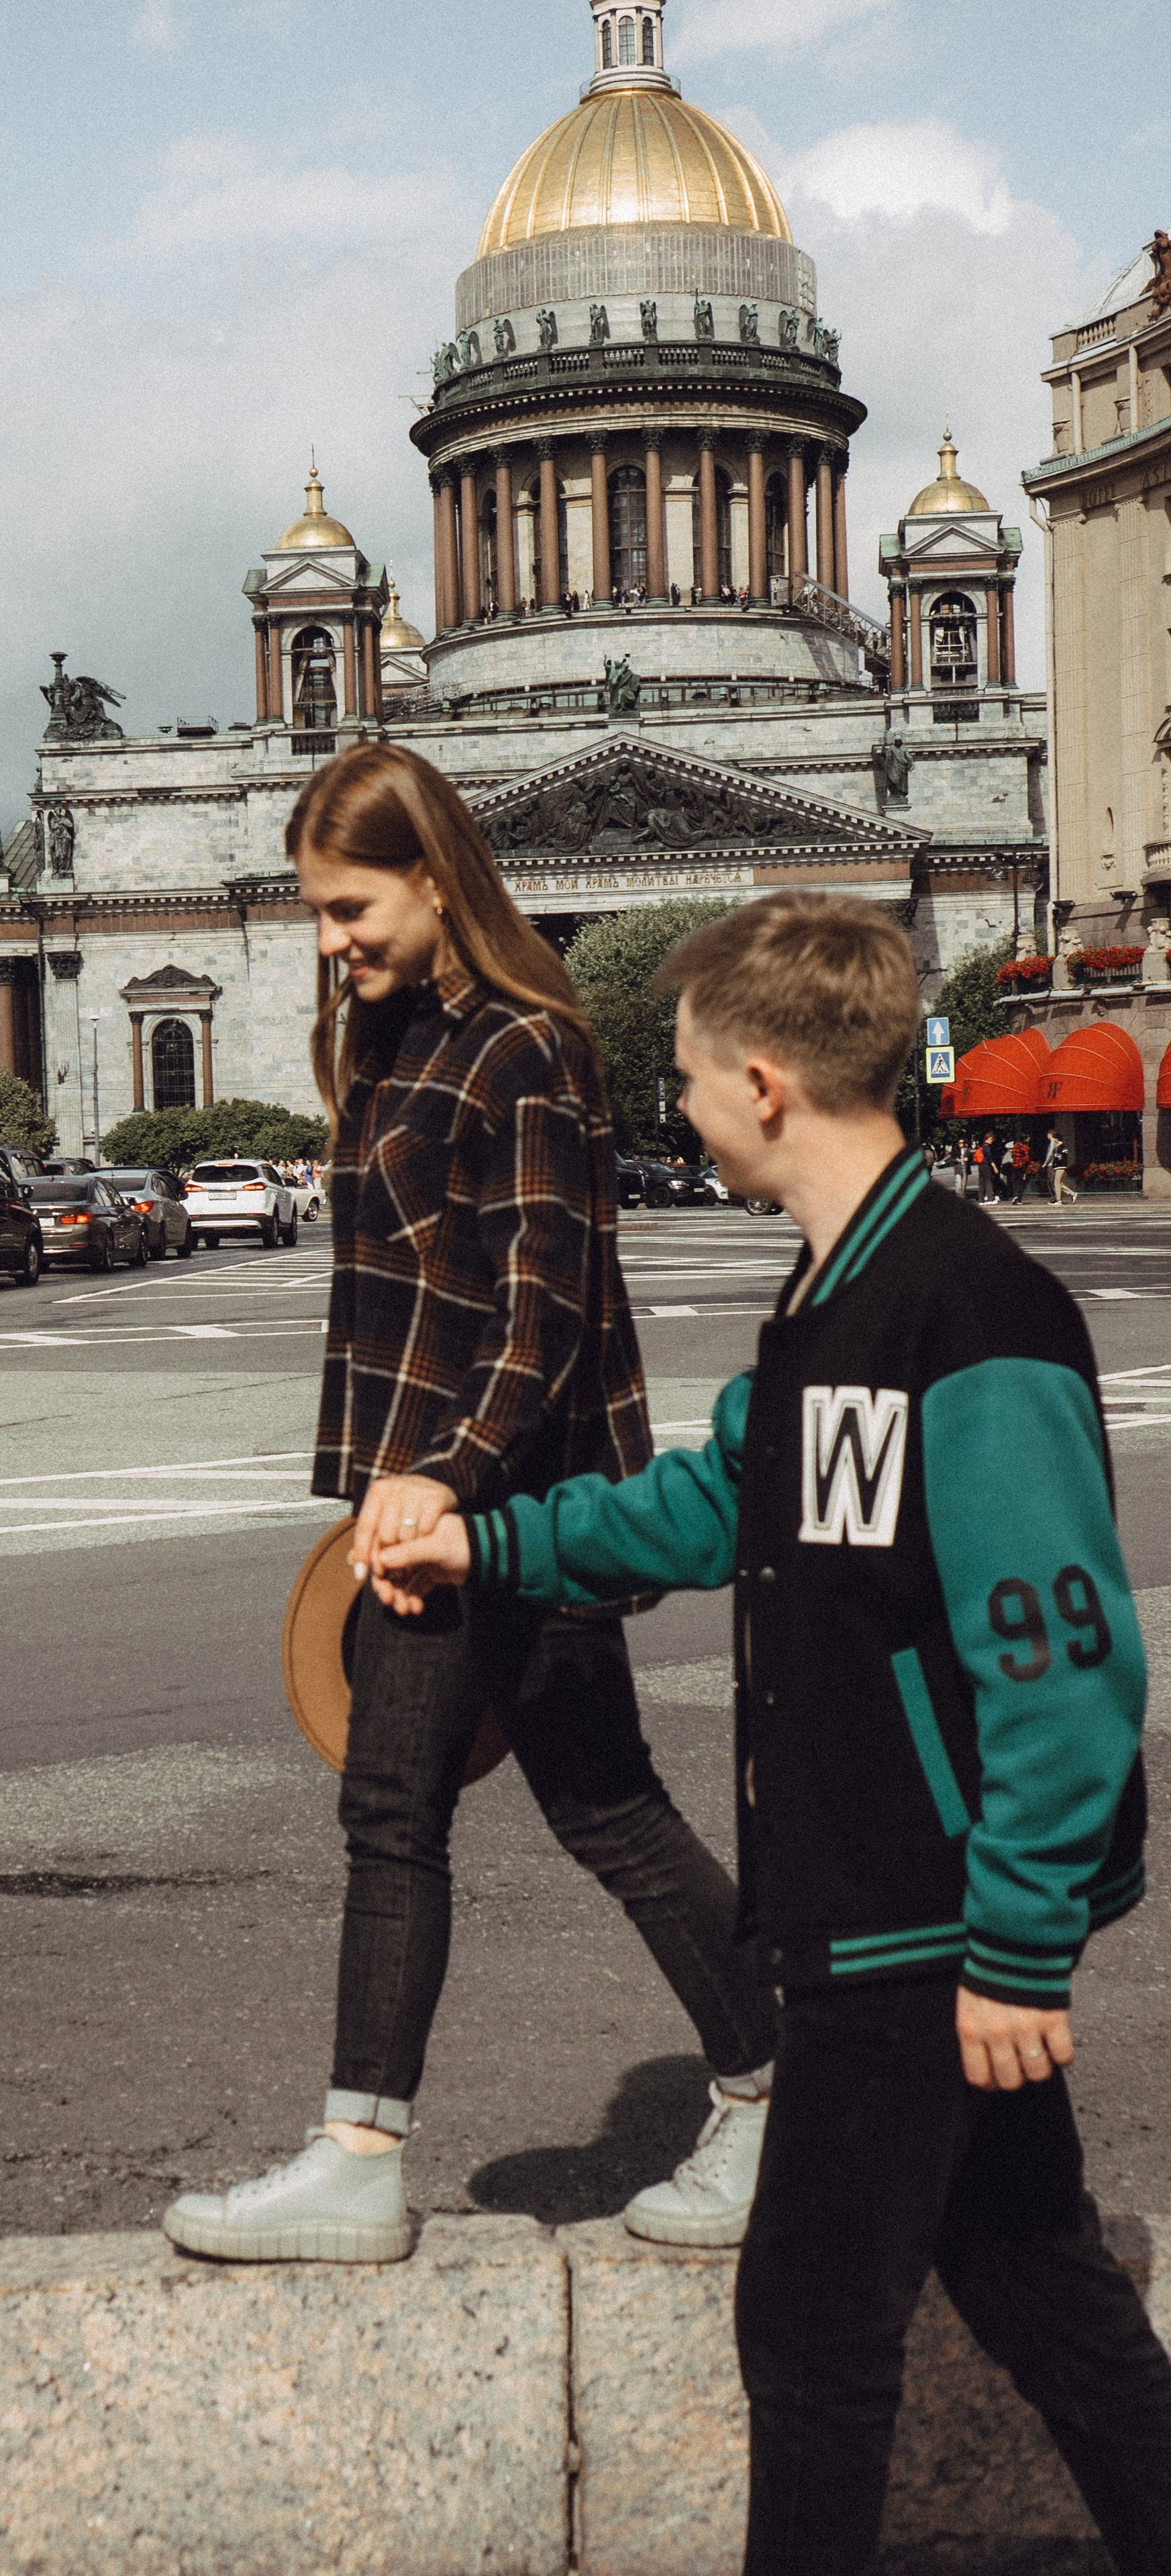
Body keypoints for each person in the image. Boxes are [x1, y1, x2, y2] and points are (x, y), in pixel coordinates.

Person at [374, 892, 1171, 2576]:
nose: (668, 1105)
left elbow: (1064, 1666)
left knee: (807, 2332)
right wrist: (490, 1540)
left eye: (677, 1075)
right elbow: (707, 1505)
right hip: (882, 1903)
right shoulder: (832, 1298)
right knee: (1042, 2290)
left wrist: (1018, 1949)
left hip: (925, 1913)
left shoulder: (968, 1313)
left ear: (759, 1081)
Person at [160, 743, 778, 2267]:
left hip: (495, 1505)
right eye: (314, 911)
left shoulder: (523, 1046)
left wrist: (443, 1481)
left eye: (348, 905)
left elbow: (538, 1312)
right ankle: (779, 2087)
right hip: (432, 1492)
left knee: (393, 1807)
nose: (328, 938)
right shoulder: (393, 1042)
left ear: (436, 881)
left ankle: (359, 2157)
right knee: (606, 1807)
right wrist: (389, 1477)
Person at [1046, 1128, 1076, 1205]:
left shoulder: (1061, 1147)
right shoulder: (1060, 1147)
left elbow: (1060, 1158)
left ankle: (1059, 1200)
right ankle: (1072, 1193)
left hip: (1060, 1167)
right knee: (1060, 1183)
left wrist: (1055, 1164)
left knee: (1056, 1183)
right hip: (1060, 1167)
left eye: (1055, 1138)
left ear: (1057, 1139)